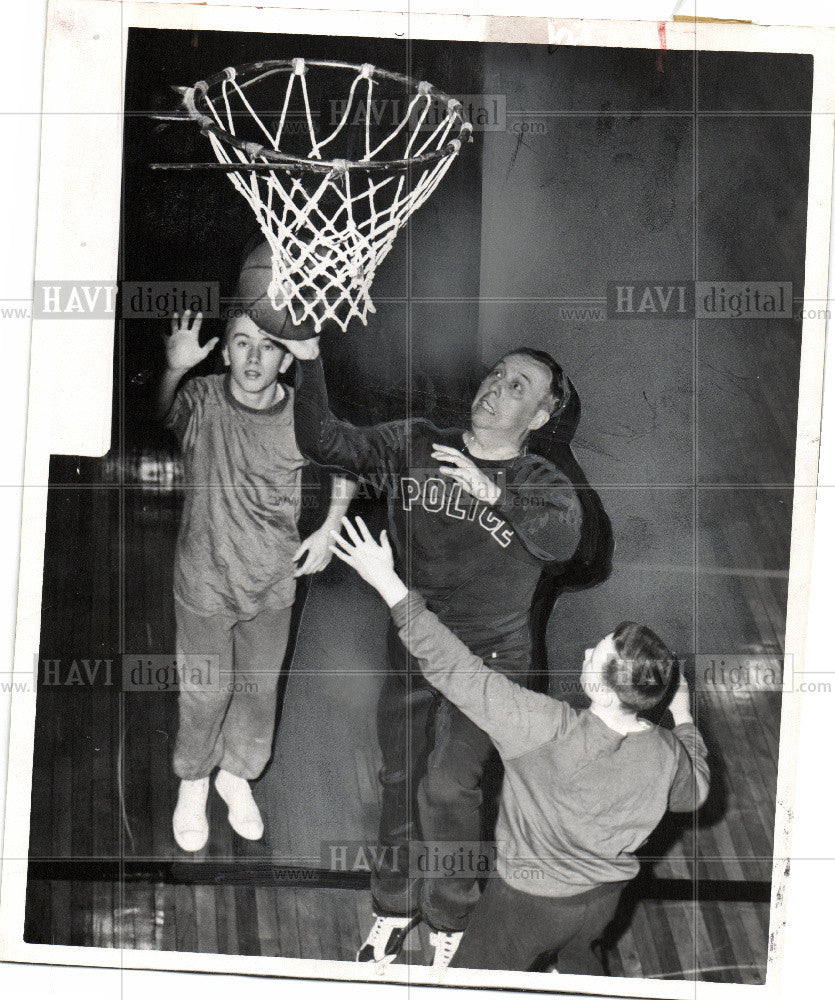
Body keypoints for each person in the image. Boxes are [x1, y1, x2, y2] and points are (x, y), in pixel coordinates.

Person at [278, 335, 610, 968]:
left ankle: (452, 919)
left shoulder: (542, 479)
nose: (497, 387)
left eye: (520, 387)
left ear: (539, 418)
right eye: (498, 375)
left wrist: (495, 495)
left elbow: (569, 543)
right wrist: (310, 357)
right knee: (398, 777)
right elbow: (325, 441)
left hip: (494, 665)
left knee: (449, 787)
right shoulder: (416, 444)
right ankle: (393, 906)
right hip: (416, 641)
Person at [328, 516, 710, 975]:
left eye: (598, 654)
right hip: (603, 903)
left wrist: (387, 581)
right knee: (581, 967)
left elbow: (453, 668)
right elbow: (695, 793)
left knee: (475, 980)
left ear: (608, 690)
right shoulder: (667, 755)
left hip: (524, 906)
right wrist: (684, 718)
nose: (587, 653)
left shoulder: (543, 727)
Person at [156, 308, 355, 852]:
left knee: (258, 691)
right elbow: (164, 411)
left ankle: (235, 775)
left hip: (271, 583)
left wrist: (332, 526)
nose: (251, 357)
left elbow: (348, 463)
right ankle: (194, 780)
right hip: (203, 582)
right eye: (241, 343)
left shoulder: (303, 416)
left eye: (267, 346)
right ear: (224, 352)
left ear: (288, 359)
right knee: (204, 693)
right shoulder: (201, 401)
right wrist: (174, 370)